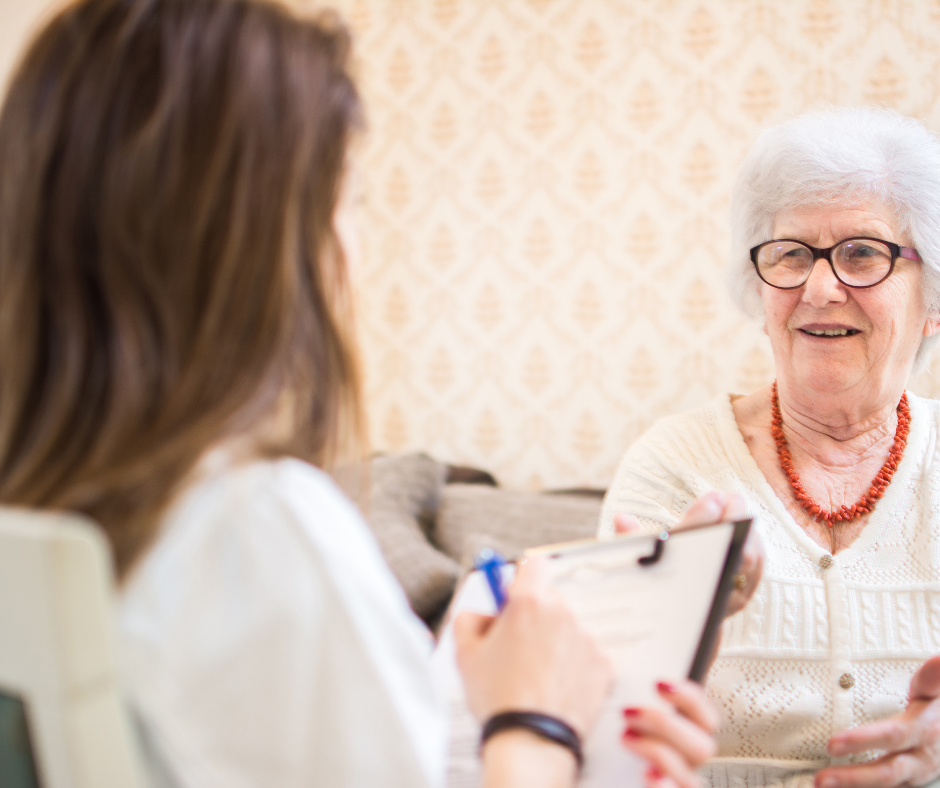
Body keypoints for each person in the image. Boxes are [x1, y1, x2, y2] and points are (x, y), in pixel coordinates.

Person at [0, 0, 719, 786]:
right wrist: (536, 726)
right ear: (267, 234)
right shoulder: (253, 531)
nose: (354, 242)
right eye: (348, 199)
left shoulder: (44, 513)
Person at [600, 107, 940, 788]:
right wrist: (679, 604)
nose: (819, 288)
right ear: (759, 290)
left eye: (863, 254)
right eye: (790, 255)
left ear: (932, 293)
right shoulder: (673, 464)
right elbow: (603, 720)